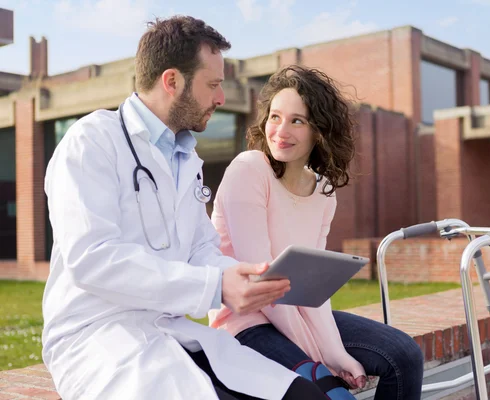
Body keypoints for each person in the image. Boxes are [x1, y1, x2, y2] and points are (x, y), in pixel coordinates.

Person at [41, 16, 333, 400]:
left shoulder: (184, 157)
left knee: (305, 396)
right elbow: (93, 259)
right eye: (213, 85)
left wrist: (244, 277)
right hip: (97, 335)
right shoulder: (91, 142)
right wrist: (214, 286)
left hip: (169, 327)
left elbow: (199, 250)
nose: (221, 98)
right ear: (172, 81)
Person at [208, 65, 425, 400]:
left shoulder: (324, 192)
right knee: (334, 395)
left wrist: (334, 352)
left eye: (298, 120)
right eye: (275, 117)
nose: (280, 130)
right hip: (246, 322)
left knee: (404, 355)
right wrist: (318, 354)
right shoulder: (249, 170)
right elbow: (261, 284)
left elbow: (311, 291)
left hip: (296, 314)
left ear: (319, 131)